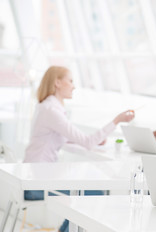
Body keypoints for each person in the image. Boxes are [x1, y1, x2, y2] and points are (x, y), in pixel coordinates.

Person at [23, 66, 135, 232]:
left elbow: (66, 139)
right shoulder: (52, 111)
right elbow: (87, 142)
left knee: (89, 191)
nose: (74, 86)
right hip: (36, 185)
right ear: (57, 83)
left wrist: (95, 141)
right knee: (93, 193)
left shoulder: (46, 107)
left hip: (36, 177)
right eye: (71, 81)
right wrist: (117, 120)